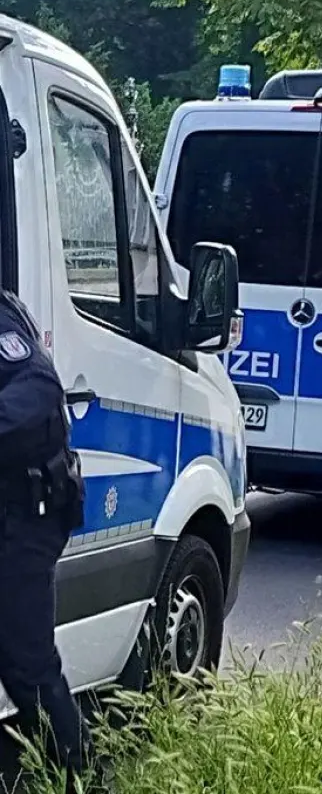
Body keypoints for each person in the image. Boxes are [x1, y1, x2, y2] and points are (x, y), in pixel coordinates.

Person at [0, 290, 93, 785]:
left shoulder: (2, 322)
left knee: (28, 668)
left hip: (23, 518)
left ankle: (75, 777)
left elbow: (37, 392)